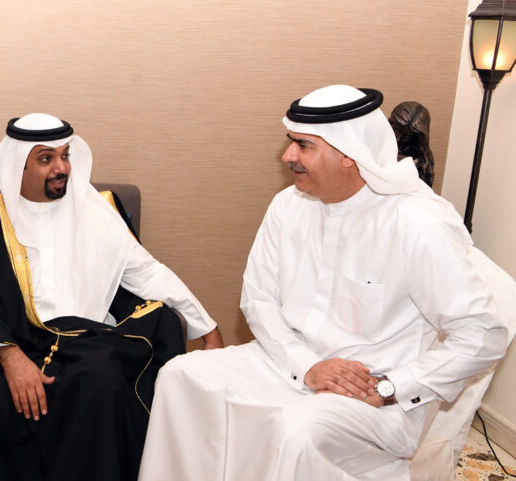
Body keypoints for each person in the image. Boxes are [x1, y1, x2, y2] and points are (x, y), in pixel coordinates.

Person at [138, 85, 512, 480]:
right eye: (291, 142)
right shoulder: (287, 206)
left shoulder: (417, 223)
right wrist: (307, 366)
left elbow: (483, 334)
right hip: (288, 363)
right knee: (180, 375)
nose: (288, 156)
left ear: (349, 154)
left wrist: (392, 386)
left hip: (370, 393)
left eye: (303, 146)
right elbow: (258, 301)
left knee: (294, 431)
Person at [0, 113, 223, 481]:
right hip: (8, 338)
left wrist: (207, 329)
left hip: (81, 341)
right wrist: (9, 354)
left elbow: (148, 274)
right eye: (46, 159)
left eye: (65, 156)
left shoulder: (98, 212)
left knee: (101, 375)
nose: (60, 168)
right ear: (18, 166)